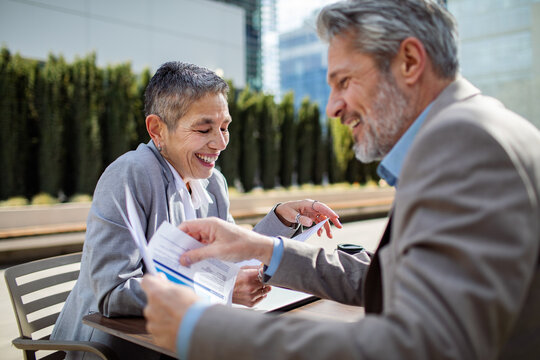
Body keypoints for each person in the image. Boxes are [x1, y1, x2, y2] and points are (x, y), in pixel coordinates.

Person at [140, 1, 540, 359]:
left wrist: (201, 328)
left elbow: (421, 346)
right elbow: (387, 280)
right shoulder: (472, 132)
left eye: (344, 81)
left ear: (409, 62)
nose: (332, 107)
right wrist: (261, 247)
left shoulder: (464, 146)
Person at [50, 62, 341, 360]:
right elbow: (113, 293)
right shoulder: (129, 176)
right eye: (204, 129)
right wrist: (218, 290)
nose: (221, 142)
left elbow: (231, 258)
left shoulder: (214, 183)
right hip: (110, 348)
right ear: (157, 129)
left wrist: (282, 218)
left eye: (225, 127)